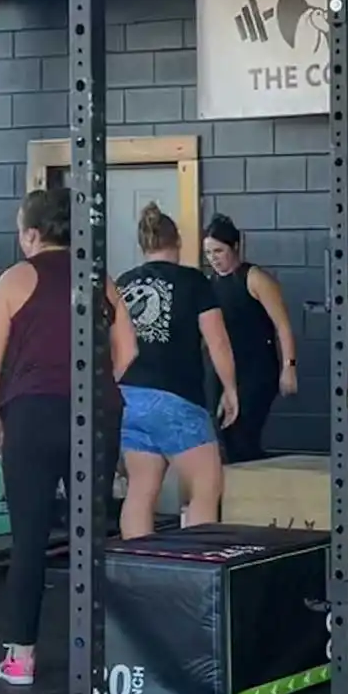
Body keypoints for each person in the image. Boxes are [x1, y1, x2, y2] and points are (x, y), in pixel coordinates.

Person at [0, 188, 135, 688]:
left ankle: (21, 657)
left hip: (33, 414)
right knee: (92, 536)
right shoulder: (100, 280)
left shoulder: (14, 279)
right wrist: (100, 387)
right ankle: (101, 656)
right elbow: (128, 352)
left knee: (29, 538)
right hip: (97, 413)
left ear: (31, 234)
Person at [114, 204, 241, 538]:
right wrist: (230, 390)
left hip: (129, 397)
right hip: (175, 397)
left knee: (141, 489)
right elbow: (218, 341)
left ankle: (138, 563)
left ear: (143, 244)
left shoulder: (123, 283)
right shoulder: (193, 281)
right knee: (205, 486)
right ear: (178, 241)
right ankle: (197, 565)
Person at [201, 214, 297, 464]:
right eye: (208, 253)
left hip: (255, 368)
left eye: (219, 251)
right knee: (221, 437)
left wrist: (289, 366)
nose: (213, 259)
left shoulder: (254, 278)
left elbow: (282, 325)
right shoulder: (210, 283)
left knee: (241, 433)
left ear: (234, 247)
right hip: (222, 368)